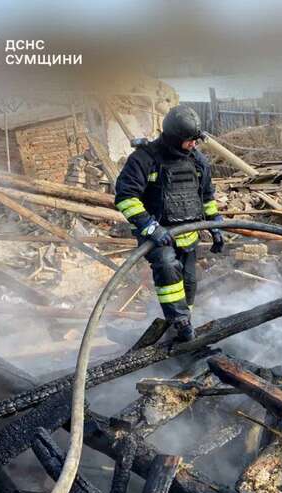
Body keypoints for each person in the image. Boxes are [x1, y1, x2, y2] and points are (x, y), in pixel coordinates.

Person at [114, 104, 223, 341]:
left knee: (189, 284)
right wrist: (150, 227)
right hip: (156, 233)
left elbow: (206, 195)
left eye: (196, 140)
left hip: (189, 233)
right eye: (189, 140)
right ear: (174, 138)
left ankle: (179, 328)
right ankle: (180, 322)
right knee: (167, 266)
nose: (193, 144)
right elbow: (125, 197)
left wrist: (215, 225)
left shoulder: (197, 161)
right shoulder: (144, 159)